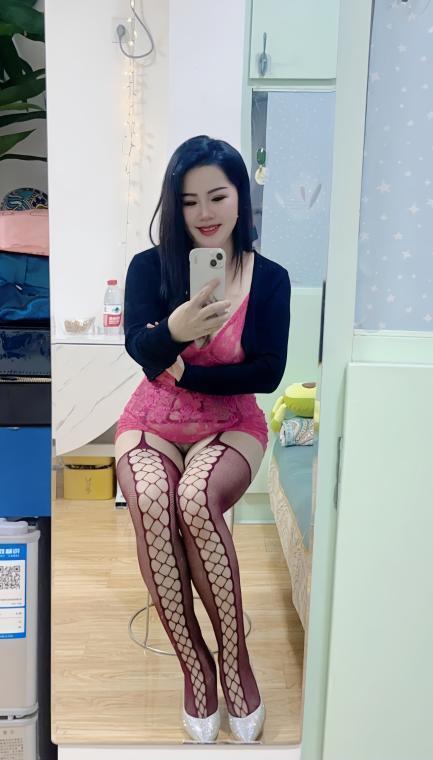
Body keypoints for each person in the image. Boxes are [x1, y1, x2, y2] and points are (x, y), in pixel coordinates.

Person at [115, 135, 291, 743]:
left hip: (230, 422)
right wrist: (175, 327)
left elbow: (267, 372)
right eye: (190, 201)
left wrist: (188, 371)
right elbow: (140, 350)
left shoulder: (270, 280)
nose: (205, 212)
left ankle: (236, 663)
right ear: (175, 205)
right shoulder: (149, 268)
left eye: (218, 196)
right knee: (151, 499)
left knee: (195, 498)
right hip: (154, 418)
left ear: (240, 196)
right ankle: (196, 667)